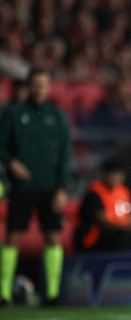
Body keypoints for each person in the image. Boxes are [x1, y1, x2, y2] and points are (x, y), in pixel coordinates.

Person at [0, 68, 72, 306]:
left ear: (48, 86)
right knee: (13, 238)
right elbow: (1, 145)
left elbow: (65, 154)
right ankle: (4, 295)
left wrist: (62, 188)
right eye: (35, 84)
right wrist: (11, 162)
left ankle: (51, 295)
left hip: (50, 187)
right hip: (21, 187)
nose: (39, 88)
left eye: (43, 84)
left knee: (53, 238)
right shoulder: (14, 113)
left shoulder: (57, 115)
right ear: (29, 86)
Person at [74, 159, 131, 252]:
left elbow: (128, 215)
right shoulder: (95, 192)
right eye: (112, 173)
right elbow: (103, 221)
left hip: (117, 233)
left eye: (118, 174)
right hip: (94, 238)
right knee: (123, 235)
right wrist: (127, 227)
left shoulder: (124, 192)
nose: (115, 177)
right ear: (105, 175)